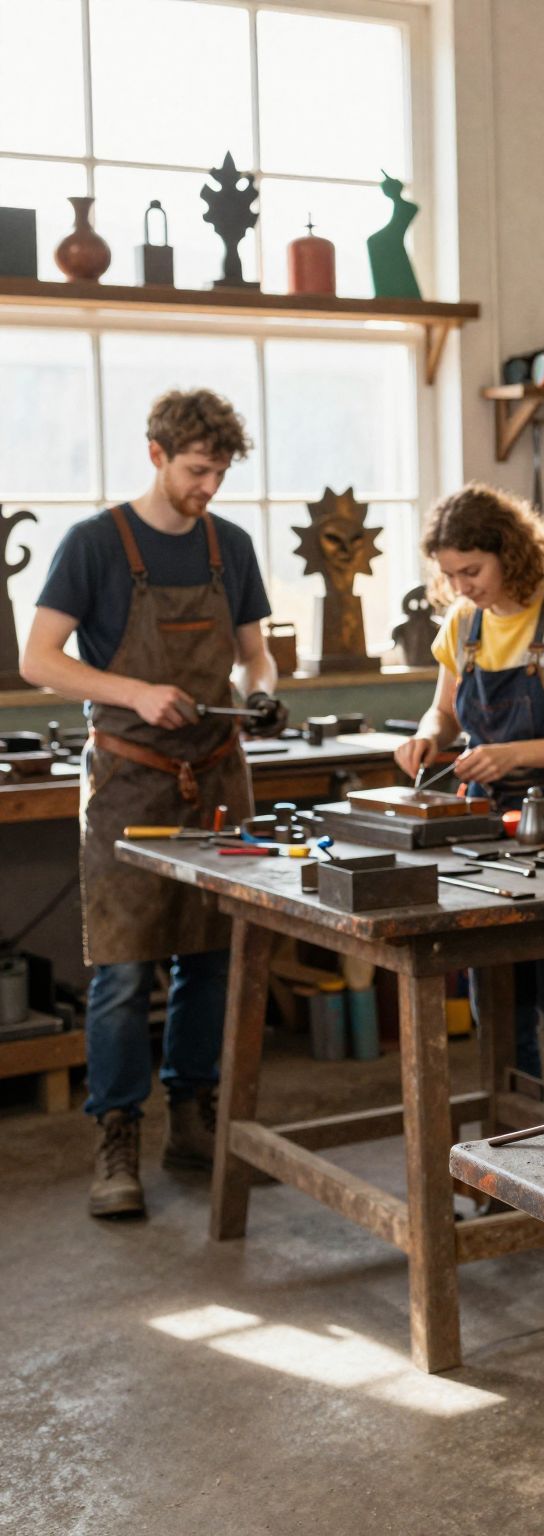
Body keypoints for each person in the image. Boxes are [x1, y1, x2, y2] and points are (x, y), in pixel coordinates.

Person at [21, 388, 284, 1220]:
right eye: (197, 470)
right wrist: (135, 691)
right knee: (125, 967)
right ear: (156, 455)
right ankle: (118, 1133)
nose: (209, 487)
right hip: (130, 780)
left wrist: (265, 690)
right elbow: (39, 659)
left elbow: (257, 657)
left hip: (215, 778)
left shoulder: (229, 546)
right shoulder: (95, 545)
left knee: (212, 956)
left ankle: (196, 1118)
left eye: (220, 472)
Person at [393, 484, 544, 1111]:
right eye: (449, 574)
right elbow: (442, 712)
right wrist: (424, 737)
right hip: (483, 834)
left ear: (511, 553)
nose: (462, 586)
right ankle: (518, 1172)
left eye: (473, 570)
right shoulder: (462, 625)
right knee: (499, 1011)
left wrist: (513, 754)